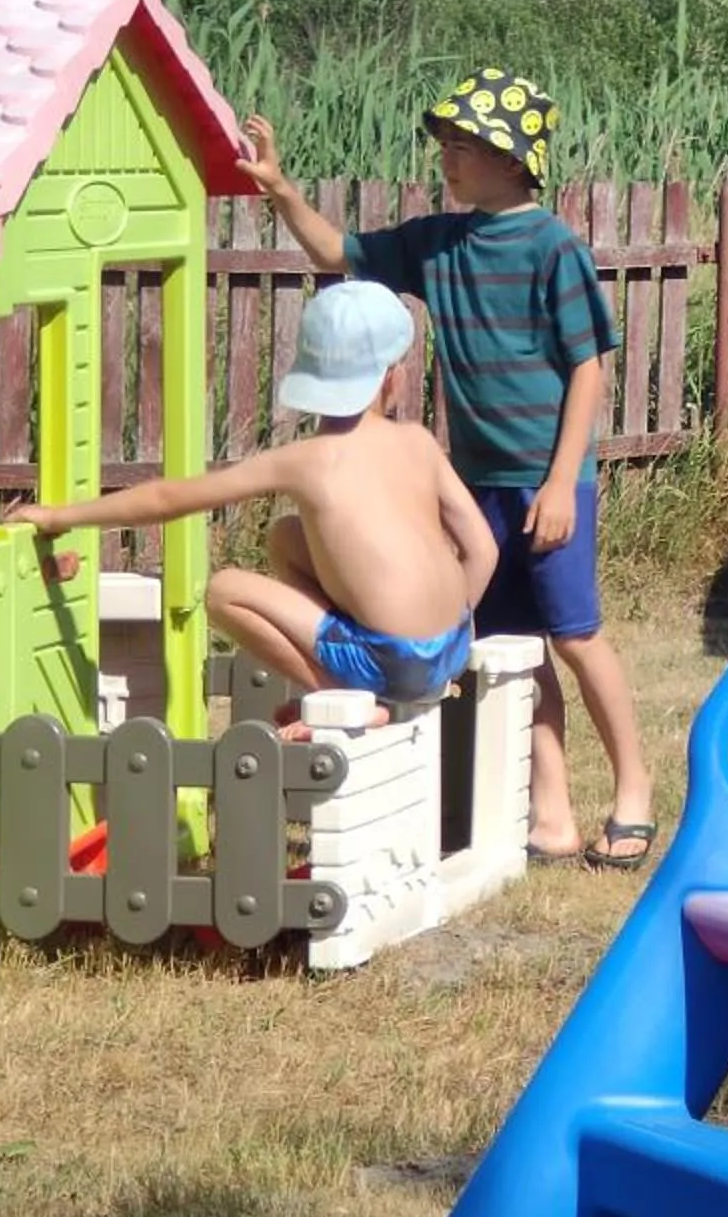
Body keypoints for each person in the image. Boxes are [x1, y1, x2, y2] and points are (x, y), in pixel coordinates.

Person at [240, 70, 659, 870]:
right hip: (477, 488)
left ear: (512, 159)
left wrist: (562, 480)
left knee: (576, 638)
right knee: (507, 648)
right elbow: (338, 253)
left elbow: (589, 370)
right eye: (444, 147)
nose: (448, 161)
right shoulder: (438, 243)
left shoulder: (554, 249)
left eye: (463, 148)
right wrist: (281, 189)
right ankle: (553, 814)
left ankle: (633, 790)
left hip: (547, 483)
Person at [10, 279, 498, 742]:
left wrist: (58, 517)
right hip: (451, 646)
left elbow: (167, 499)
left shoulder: (305, 460)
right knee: (286, 536)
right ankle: (361, 679)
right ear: (394, 377)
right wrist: (445, 631)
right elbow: (482, 549)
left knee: (224, 591)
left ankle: (337, 695)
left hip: (388, 660)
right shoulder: (417, 441)